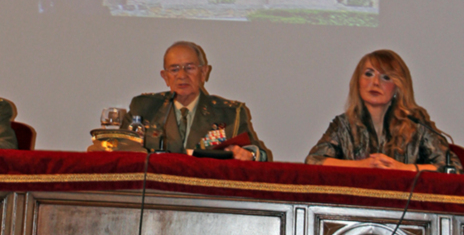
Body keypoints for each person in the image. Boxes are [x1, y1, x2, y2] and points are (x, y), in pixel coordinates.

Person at [306, 49, 460, 172]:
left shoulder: (416, 123)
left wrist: (404, 168)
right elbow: (314, 160)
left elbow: (453, 168)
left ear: (398, 88)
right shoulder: (344, 124)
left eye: (386, 77)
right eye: (368, 74)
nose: (375, 83)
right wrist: (362, 166)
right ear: (357, 82)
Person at [120, 41, 271, 161]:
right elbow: (119, 149)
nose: (182, 75)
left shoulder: (230, 114)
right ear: (165, 77)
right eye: (174, 69)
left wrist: (250, 155)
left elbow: (259, 153)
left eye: (189, 68)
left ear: (203, 72)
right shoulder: (144, 108)